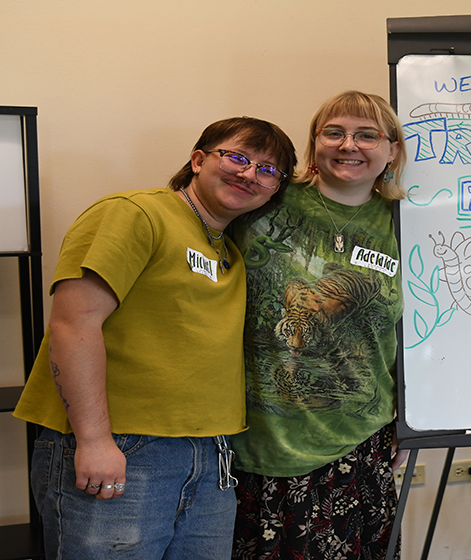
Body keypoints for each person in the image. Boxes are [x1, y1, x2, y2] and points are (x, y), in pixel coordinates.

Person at [13, 117, 297, 559]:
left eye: (267, 170)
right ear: (198, 160)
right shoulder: (134, 213)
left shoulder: (229, 249)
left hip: (210, 456)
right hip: (124, 447)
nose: (249, 174)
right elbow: (74, 323)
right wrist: (94, 440)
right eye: (238, 157)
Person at [228, 91, 406, 560]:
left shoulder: (409, 224)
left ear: (392, 151)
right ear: (314, 145)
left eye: (367, 135)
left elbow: (423, 335)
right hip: (254, 444)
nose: (349, 144)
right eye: (334, 132)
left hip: (358, 444)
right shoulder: (264, 200)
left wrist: (414, 422)